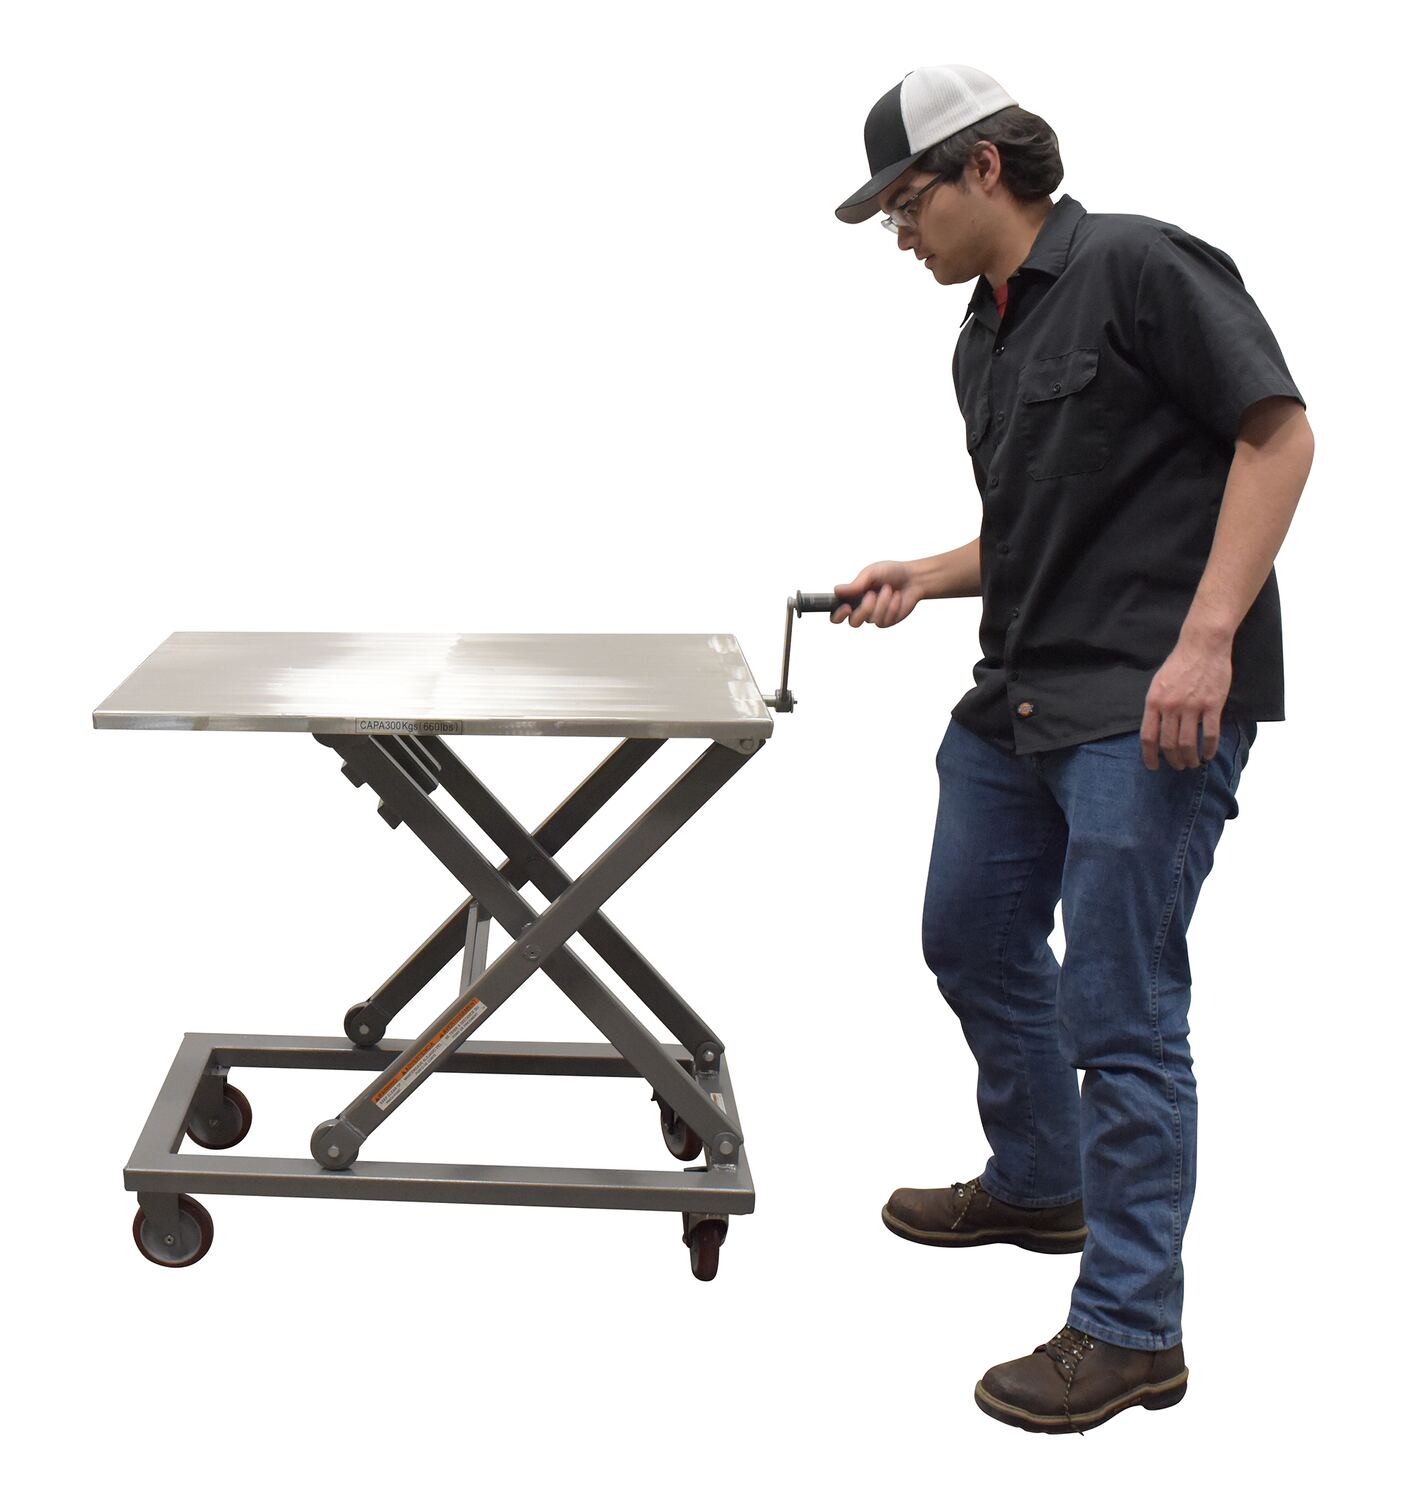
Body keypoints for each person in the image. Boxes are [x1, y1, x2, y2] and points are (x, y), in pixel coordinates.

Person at [831, 64, 1313, 1434]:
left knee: (1123, 1010)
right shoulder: (979, 341)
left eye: (905, 204)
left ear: (983, 167)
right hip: (1022, 697)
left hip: (1149, 706)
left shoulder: (1143, 268)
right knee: (971, 937)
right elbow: (1040, 528)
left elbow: (1279, 437)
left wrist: (1208, 642)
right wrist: (928, 572)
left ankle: (1132, 1329)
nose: (898, 235)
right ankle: (1043, 1181)